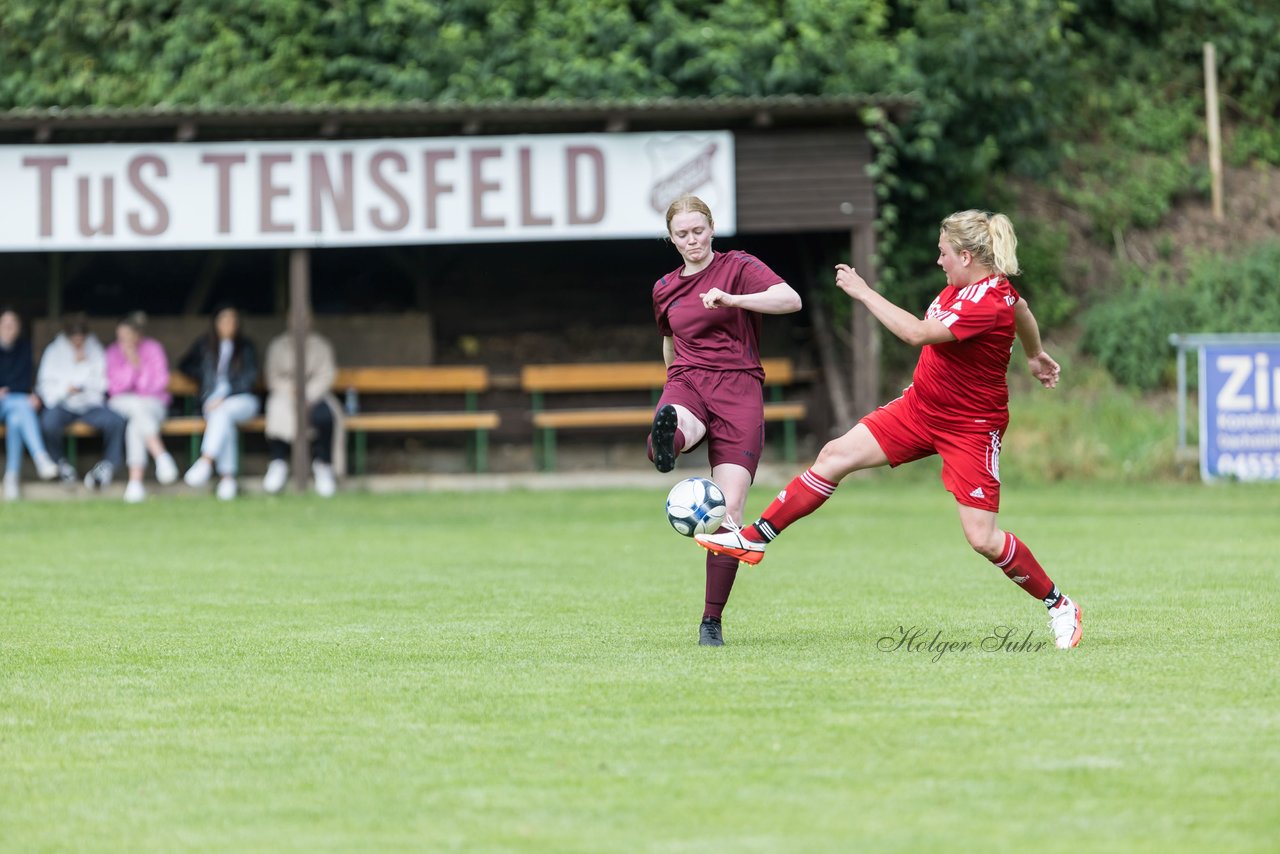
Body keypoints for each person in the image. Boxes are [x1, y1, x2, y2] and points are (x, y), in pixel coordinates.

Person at [696, 210, 1082, 650]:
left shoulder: (987, 301)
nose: (939, 262)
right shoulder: (974, 287)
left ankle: (1059, 603)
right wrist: (1035, 355)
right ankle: (755, 538)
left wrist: (864, 293)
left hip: (971, 428)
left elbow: (917, 333)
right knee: (833, 456)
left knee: (983, 538)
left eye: (943, 255)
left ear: (967, 256)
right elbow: (1025, 310)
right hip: (920, 407)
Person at [648, 195, 803, 646]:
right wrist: (670, 380)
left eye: (699, 231)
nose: (692, 240)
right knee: (676, 422)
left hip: (739, 390)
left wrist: (732, 299)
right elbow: (670, 341)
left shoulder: (738, 266)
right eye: (682, 234)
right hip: (689, 379)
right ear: (671, 238)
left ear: (711, 228)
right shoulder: (664, 287)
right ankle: (666, 444)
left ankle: (711, 622)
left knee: (729, 512)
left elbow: (789, 299)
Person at [36, 313, 127, 490]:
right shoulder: (54, 351)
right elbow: (45, 385)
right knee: (48, 423)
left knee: (116, 421)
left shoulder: (95, 350)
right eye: (74, 337)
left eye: (81, 337)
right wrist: (66, 389)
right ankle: (60, 465)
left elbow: (102, 384)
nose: (78, 341)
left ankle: (107, 466)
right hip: (62, 405)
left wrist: (83, 367)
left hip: (89, 406)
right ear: (68, 335)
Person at [180, 305, 259, 500]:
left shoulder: (246, 347)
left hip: (242, 400)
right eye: (224, 320)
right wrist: (204, 382)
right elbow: (185, 365)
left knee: (222, 412)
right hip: (212, 403)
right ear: (215, 323)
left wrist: (226, 394)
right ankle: (227, 480)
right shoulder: (205, 345)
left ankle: (206, 461)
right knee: (224, 422)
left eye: (233, 320)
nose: (228, 325)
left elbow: (249, 379)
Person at [105, 311, 179, 503]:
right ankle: (160, 454)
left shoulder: (154, 349)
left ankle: (135, 483)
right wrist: (131, 367)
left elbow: (158, 384)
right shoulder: (113, 352)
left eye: (128, 336)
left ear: (138, 335)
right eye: (120, 337)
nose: (124, 341)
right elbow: (114, 388)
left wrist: (138, 364)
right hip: (123, 403)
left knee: (136, 423)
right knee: (136, 407)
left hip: (153, 404)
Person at [261, 329, 341, 497]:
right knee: (278, 412)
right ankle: (279, 462)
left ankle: (323, 464)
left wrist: (308, 394)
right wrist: (292, 391)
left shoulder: (321, 345)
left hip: (315, 394)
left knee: (325, 417)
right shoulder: (278, 345)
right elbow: (272, 376)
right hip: (284, 393)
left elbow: (327, 375)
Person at [0, 308, 60, 499]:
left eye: (12, 324)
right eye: (5, 324)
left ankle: (11, 477)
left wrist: (31, 394)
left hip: (15, 402)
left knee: (16, 419)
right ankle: (40, 457)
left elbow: (24, 381)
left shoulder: (24, 348)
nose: (9, 328)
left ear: (18, 328)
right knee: (20, 404)